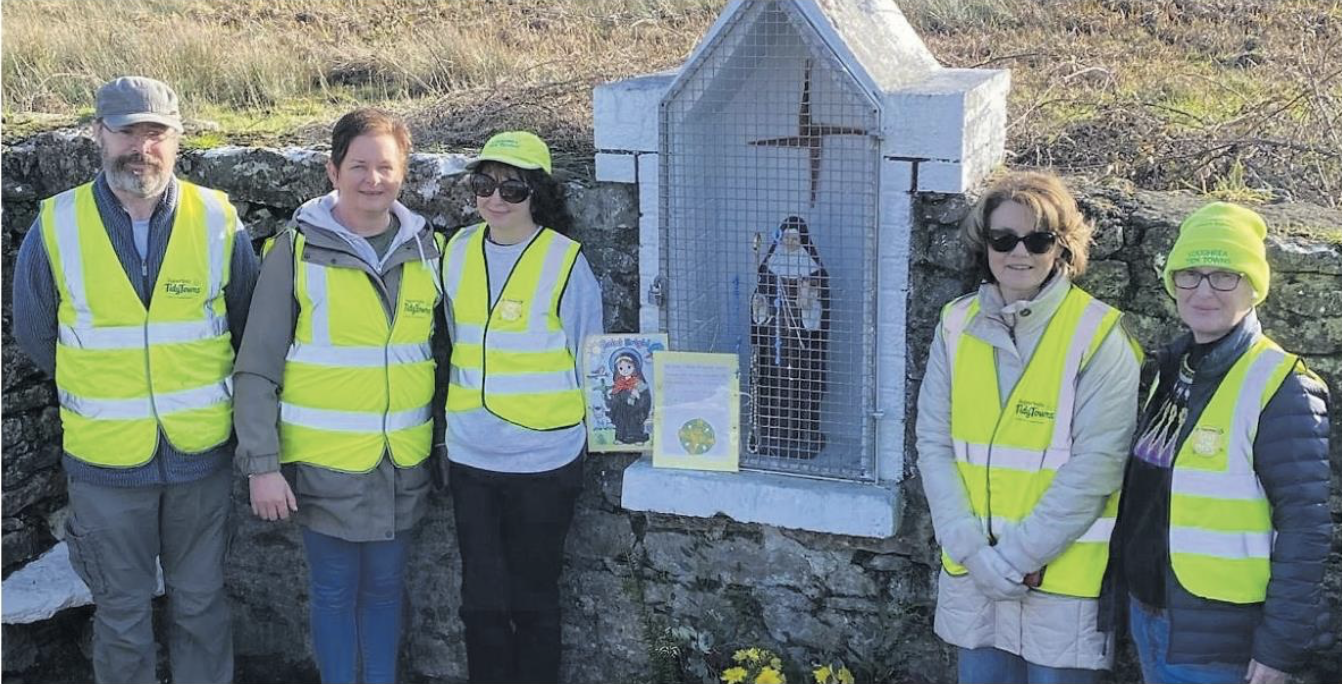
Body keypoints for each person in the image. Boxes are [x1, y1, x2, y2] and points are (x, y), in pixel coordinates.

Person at [11, 76, 258, 684]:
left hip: (199, 458)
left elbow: (247, 325)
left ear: (176, 139)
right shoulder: (57, 223)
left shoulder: (218, 219)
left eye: (155, 132)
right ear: (98, 133)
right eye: (126, 131)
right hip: (105, 466)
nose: (140, 147)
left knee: (202, 607)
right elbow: (38, 334)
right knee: (121, 615)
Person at [232, 108, 443, 684]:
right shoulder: (296, 250)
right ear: (332, 170)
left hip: (401, 465)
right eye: (359, 166)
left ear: (404, 174)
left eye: (386, 167)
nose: (372, 179)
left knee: (384, 593)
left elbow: (444, 360)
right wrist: (262, 466)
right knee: (331, 595)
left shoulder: (429, 251)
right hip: (325, 470)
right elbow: (256, 367)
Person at [916, 171, 1141, 683]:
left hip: (1059, 583)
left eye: (1038, 239)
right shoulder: (955, 324)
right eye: (1004, 239)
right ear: (985, 245)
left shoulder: (1099, 334)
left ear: (1061, 249)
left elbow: (1097, 467)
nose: (1020, 252)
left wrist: (1013, 559)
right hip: (976, 573)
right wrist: (974, 553)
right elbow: (934, 444)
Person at [1111, 202, 1332, 684]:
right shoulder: (1171, 370)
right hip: (1152, 618)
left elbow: (1306, 528)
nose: (1203, 291)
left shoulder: (1281, 385)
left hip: (1222, 642)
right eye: (1190, 274)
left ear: (1254, 287)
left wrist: (1280, 649)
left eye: (1224, 276)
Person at [440, 131, 603, 684]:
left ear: (537, 192)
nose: (495, 199)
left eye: (512, 187)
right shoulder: (454, 251)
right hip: (471, 457)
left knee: (534, 601)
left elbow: (591, 355)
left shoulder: (566, 263)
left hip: (544, 461)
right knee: (480, 602)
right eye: (484, 184)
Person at [749, 215, 830, 458]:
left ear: (803, 239)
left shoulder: (814, 271)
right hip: (774, 344)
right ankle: (773, 435)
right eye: (786, 238)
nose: (791, 243)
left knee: (804, 385)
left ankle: (804, 434)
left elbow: (820, 312)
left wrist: (808, 303)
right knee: (774, 387)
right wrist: (759, 305)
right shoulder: (770, 268)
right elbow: (760, 304)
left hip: (803, 345)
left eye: (795, 238)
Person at [606, 350, 651, 444]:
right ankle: (620, 437)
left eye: (629, 367)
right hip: (622, 409)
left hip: (635, 410)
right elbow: (616, 396)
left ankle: (638, 438)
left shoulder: (639, 382)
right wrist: (612, 397)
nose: (625, 370)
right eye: (621, 368)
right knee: (621, 422)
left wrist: (638, 396)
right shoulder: (619, 384)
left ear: (635, 367)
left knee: (635, 422)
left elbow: (646, 397)